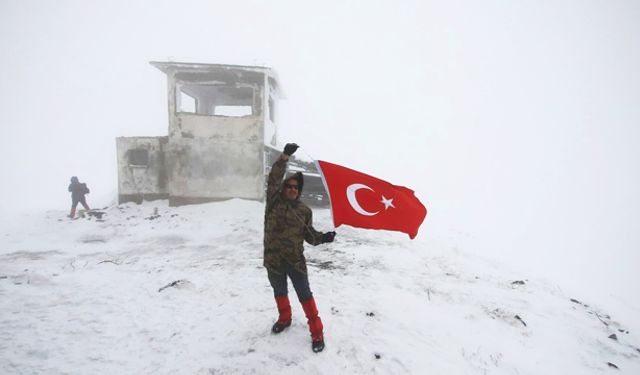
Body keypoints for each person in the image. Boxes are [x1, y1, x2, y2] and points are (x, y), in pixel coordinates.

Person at [264, 143, 336, 353]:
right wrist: (285, 157)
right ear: (284, 188)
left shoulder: (304, 211)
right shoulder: (274, 202)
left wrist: (325, 238)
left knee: (305, 295)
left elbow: (310, 236)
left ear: (299, 191)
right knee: (279, 291)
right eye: (289, 186)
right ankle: (285, 319)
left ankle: (317, 333)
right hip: (273, 259)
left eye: (296, 187)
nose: (292, 189)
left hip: (295, 261)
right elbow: (274, 179)